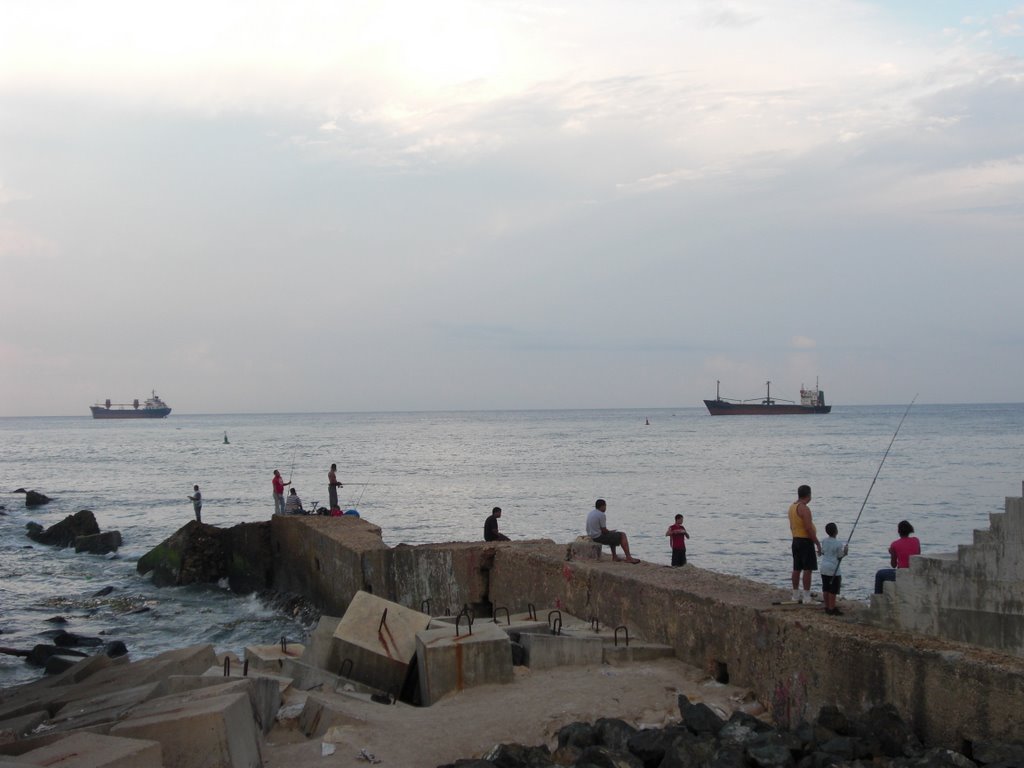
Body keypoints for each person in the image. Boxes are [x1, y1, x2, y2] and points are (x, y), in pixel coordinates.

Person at [788, 484, 821, 603]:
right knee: (808, 569)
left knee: (796, 568)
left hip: (795, 539)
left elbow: (792, 525)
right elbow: (808, 528)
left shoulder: (792, 507)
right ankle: (807, 596)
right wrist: (817, 543)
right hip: (805, 541)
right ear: (808, 495)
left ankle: (795, 595)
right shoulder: (804, 508)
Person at [874, 520, 921, 594]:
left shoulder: (894, 544)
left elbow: (893, 565)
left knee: (880, 574)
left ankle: (878, 598)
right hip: (914, 572)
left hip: (902, 574)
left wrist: (892, 553)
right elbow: (918, 554)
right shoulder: (916, 540)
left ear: (899, 531)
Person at [586, 499, 639, 563]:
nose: (605, 508)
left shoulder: (591, 513)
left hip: (591, 535)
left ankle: (614, 556)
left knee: (612, 536)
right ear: (602, 506)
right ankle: (629, 557)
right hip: (597, 537)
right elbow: (604, 530)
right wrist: (610, 532)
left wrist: (610, 532)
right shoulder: (601, 515)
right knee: (622, 535)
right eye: (605, 506)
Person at [819, 522, 848, 615]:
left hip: (823, 567)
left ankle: (827, 607)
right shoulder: (838, 544)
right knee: (833, 590)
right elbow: (839, 556)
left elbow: (822, 552)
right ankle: (832, 608)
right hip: (833, 569)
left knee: (826, 588)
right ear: (836, 531)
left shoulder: (824, 541)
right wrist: (845, 552)